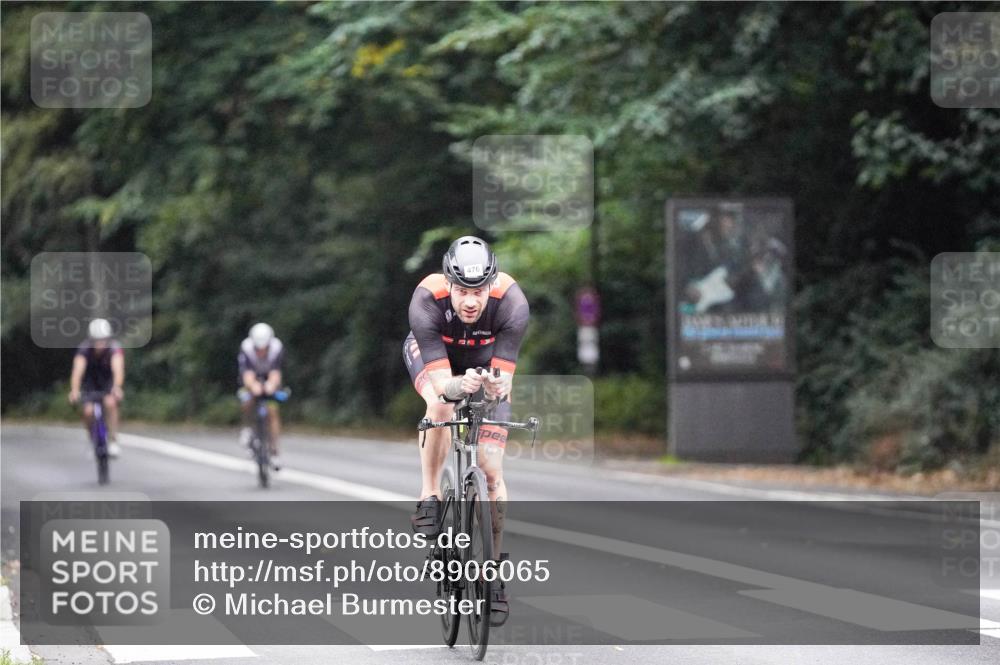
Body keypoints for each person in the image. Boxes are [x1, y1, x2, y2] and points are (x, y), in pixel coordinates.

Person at [403, 235, 529, 626]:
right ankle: (430, 494)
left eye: (478, 290)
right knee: (440, 405)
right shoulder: (426, 300)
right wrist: (460, 386)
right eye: (461, 290)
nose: (470, 300)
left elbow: (503, 379)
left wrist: (493, 386)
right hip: (435, 358)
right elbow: (444, 385)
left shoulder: (512, 303)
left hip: (486, 360)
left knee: (491, 473)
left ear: (491, 284)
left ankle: (491, 574)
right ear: (448, 284)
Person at [68, 318, 125, 457]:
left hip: (108, 383)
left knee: (110, 403)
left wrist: (117, 387)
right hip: (90, 384)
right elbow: (77, 372)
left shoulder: (114, 348)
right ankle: (91, 439)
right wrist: (74, 390)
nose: (100, 343)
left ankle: (113, 440)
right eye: (96, 340)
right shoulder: (84, 349)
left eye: (103, 340)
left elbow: (118, 369)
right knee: (88, 412)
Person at [237, 322, 285, 470]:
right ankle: (247, 429)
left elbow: (276, 372)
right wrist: (253, 386)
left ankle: (274, 451)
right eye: (259, 349)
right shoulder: (246, 349)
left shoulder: (277, 348)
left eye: (265, 348)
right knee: (247, 399)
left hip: (269, 376)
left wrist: (271, 385)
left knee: (273, 412)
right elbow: (247, 375)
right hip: (251, 377)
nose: (261, 351)